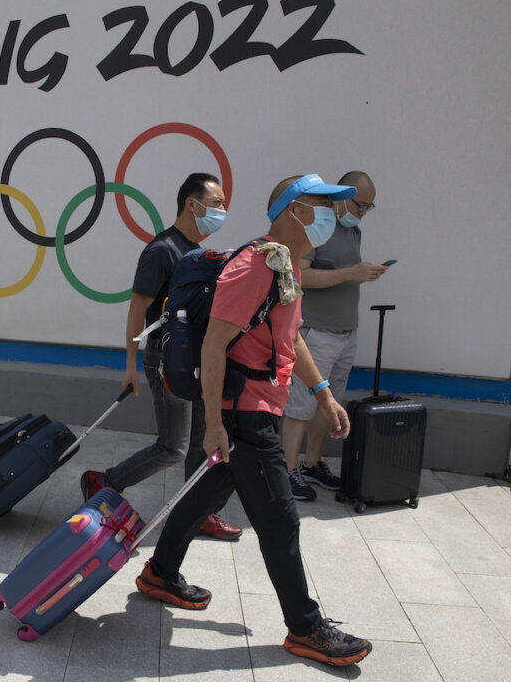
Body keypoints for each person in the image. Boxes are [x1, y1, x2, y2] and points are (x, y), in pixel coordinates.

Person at [135, 174, 373, 668]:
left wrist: (324, 395)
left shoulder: (285, 266)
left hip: (258, 406)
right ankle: (306, 627)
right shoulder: (253, 267)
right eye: (321, 205)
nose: (330, 215)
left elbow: (292, 337)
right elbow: (213, 345)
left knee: (204, 496)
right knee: (280, 520)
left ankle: (160, 572)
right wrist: (214, 424)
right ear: (292, 210)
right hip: (244, 415)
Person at [80, 172, 243, 540]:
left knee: (202, 446)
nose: (223, 210)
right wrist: (130, 365)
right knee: (174, 447)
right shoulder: (162, 250)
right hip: (167, 361)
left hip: (198, 362)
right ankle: (105, 480)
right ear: (192, 204)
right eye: (217, 203)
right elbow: (137, 309)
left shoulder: (197, 252)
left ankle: (198, 514)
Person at [282, 171, 387, 501]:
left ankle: (312, 464)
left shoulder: (353, 230)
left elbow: (341, 273)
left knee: (327, 405)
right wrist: (351, 273)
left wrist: (360, 274)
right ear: (342, 197)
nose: (363, 213)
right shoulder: (319, 228)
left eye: (369, 207)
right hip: (316, 331)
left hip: (345, 331)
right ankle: (287, 470)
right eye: (359, 205)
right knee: (301, 404)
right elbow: (299, 275)